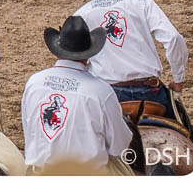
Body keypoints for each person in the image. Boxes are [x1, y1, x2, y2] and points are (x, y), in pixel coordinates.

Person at [74, 0, 188, 119]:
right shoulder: (142, 2)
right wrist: (178, 80)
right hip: (150, 92)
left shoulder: (81, 15)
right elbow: (174, 38)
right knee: (185, 128)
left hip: (108, 94)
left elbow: (76, 60)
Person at [21, 15, 133, 175]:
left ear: (57, 49)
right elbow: (119, 146)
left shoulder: (34, 82)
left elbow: (29, 128)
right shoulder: (101, 91)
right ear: (89, 54)